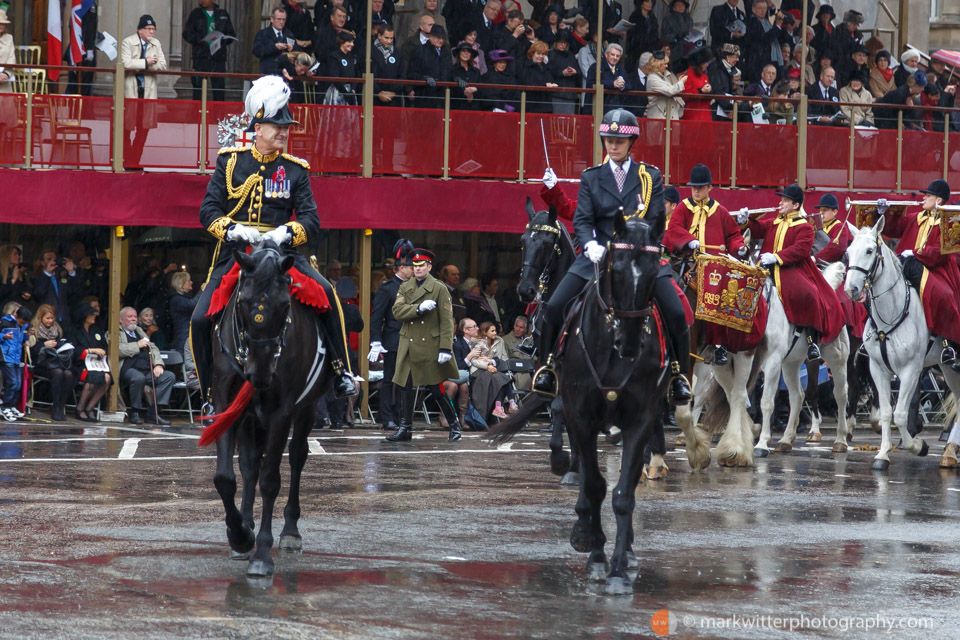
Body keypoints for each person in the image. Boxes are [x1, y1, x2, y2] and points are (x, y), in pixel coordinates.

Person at [192, 76, 357, 411]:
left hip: (281, 254)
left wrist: (285, 232)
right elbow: (208, 210)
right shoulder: (230, 162)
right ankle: (209, 393)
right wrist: (233, 229)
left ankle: (342, 371)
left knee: (328, 295)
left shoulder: (295, 170)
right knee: (198, 319)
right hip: (238, 255)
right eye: (277, 125)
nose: (284, 132)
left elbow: (311, 219)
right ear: (258, 126)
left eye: (286, 127)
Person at [533, 108, 691, 403]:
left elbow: (657, 221)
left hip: (640, 256)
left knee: (676, 312)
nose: (613, 146)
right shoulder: (591, 177)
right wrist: (590, 243)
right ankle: (548, 367)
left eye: (618, 141)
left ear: (631, 144)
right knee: (553, 307)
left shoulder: (650, 176)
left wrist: (641, 251)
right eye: (608, 140)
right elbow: (581, 219)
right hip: (598, 255)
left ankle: (679, 375)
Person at [742, 184, 844, 360]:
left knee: (808, 294)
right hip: (765, 268)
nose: (781, 203)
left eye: (785, 200)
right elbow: (757, 229)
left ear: (796, 205)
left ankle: (812, 340)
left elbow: (800, 250)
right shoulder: (775, 222)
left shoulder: (804, 226)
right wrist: (745, 221)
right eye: (781, 200)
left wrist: (776, 257)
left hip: (790, 268)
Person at [663, 164, 747, 364]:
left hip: (713, 266)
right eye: (694, 187)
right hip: (685, 261)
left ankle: (719, 344)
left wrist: (740, 247)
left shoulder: (720, 211)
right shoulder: (683, 207)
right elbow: (673, 228)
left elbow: (734, 236)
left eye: (700, 187)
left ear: (710, 187)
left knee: (719, 293)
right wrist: (687, 240)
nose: (696, 191)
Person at [879, 180, 960, 368]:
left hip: (936, 269)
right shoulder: (916, 217)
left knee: (944, 296)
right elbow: (894, 229)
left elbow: (941, 253)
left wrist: (916, 253)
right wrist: (885, 213)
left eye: (928, 196)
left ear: (939, 200)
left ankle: (949, 343)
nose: (923, 198)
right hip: (907, 265)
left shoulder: (950, 222)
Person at [385, 248, 463, 442]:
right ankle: (406, 428)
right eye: (415, 266)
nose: (418, 269)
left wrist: (446, 347)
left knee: (437, 388)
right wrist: (418, 309)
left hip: (430, 344)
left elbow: (446, 320)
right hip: (409, 342)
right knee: (405, 386)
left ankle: (454, 425)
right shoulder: (405, 286)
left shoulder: (439, 288)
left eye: (421, 266)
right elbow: (398, 311)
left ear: (429, 267)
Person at [369, 239, 414, 432]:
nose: (414, 270)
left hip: (411, 340)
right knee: (389, 381)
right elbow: (377, 317)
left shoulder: (415, 287)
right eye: (411, 266)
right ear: (402, 267)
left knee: (407, 382)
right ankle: (386, 416)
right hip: (393, 340)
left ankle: (402, 416)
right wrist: (376, 341)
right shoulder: (387, 289)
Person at [121, 15, 167, 169]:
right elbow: (125, 63)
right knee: (126, 127)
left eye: (153, 29)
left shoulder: (156, 44)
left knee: (143, 129)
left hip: (147, 93)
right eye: (149, 29)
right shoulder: (128, 42)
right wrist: (146, 62)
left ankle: (134, 161)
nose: (152, 32)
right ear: (140, 30)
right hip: (130, 93)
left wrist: (142, 66)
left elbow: (162, 65)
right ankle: (127, 160)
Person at [119, 306, 174, 425]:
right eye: (130, 317)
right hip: (127, 368)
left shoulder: (139, 331)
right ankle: (135, 412)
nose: (133, 319)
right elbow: (117, 350)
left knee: (168, 376)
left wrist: (158, 364)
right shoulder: (115, 332)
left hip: (146, 368)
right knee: (138, 378)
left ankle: (153, 413)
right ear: (120, 319)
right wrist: (137, 345)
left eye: (134, 316)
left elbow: (153, 348)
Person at [183, 0, 236, 102]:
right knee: (199, 89)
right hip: (200, 57)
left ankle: (218, 116)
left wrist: (222, 40)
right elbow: (187, 34)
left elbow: (231, 34)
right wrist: (200, 39)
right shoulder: (195, 14)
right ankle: (198, 115)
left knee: (219, 89)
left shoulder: (222, 13)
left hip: (218, 58)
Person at [28, 304, 74, 422]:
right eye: (47, 318)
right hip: (41, 363)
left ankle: (60, 405)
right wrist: (43, 345)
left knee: (68, 374)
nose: (50, 321)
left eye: (52, 318)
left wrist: (59, 345)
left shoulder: (57, 329)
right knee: (58, 373)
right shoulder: (34, 330)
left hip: (56, 360)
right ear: (41, 317)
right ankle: (55, 406)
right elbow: (30, 352)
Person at [68, 301, 111, 422]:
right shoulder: (74, 331)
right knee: (92, 377)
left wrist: (103, 351)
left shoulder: (97, 330)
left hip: (97, 364)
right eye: (91, 314)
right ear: (84, 315)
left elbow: (104, 346)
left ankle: (90, 407)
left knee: (107, 378)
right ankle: (80, 408)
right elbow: (73, 350)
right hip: (79, 366)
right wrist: (91, 350)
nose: (94, 316)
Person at [468, 321, 516, 419]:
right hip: (478, 370)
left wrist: (490, 361)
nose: (495, 333)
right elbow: (474, 361)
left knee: (503, 378)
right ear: (485, 332)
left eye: (495, 331)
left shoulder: (498, 341)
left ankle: (505, 405)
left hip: (491, 369)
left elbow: (498, 359)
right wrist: (487, 366)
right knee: (501, 378)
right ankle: (505, 405)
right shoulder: (479, 344)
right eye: (492, 331)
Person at [30, 250, 79, 329]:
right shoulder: (36, 278)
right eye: (49, 259)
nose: (53, 262)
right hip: (47, 322)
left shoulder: (60, 277)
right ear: (42, 263)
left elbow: (74, 291)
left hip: (64, 320)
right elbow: (39, 293)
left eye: (54, 259)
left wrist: (71, 272)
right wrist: (47, 273)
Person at [408, 24, 452, 108]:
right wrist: (425, 78)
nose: (441, 41)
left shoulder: (446, 53)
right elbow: (411, 73)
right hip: (425, 96)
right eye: (438, 38)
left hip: (442, 97)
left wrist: (456, 78)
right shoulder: (419, 51)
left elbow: (449, 71)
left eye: (442, 38)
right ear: (430, 37)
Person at [0, 303, 29, 421]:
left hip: (17, 357)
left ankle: (11, 405)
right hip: (6, 356)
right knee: (11, 382)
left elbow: (22, 336)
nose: (22, 324)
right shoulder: (5, 322)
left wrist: (26, 340)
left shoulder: (24, 325)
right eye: (21, 322)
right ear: (16, 315)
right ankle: (5, 406)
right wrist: (3, 336)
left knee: (18, 383)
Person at [743, 0, 783, 84]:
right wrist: (777, 26)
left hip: (767, 59)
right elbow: (764, 38)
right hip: (758, 62)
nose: (762, 10)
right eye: (760, 8)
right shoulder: (753, 22)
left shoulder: (766, 21)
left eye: (764, 8)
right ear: (753, 10)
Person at [64, 1, 98, 96]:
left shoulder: (77, 3)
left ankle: (73, 106)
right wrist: (90, 48)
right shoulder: (89, 4)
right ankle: (83, 108)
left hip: (76, 48)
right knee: (84, 84)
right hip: (84, 50)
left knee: (74, 82)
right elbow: (89, 28)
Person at [371, 24, 405, 107]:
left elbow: (402, 75)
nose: (389, 41)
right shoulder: (369, 52)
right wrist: (378, 93)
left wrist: (394, 93)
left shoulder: (398, 54)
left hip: (394, 100)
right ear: (379, 36)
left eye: (391, 38)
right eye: (386, 38)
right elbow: (365, 73)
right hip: (374, 99)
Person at [547, 31, 581, 115]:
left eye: (565, 43)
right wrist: (561, 73)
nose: (563, 45)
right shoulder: (551, 54)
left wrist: (575, 72)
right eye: (561, 42)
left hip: (570, 92)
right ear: (556, 43)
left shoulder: (571, 55)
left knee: (568, 121)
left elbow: (579, 72)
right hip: (556, 92)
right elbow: (548, 71)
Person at [255, 6, 295, 74]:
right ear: (272, 19)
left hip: (285, 73)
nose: (281, 22)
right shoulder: (262, 34)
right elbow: (257, 51)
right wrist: (274, 47)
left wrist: (291, 49)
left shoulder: (289, 34)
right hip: (268, 72)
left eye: (283, 19)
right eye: (279, 19)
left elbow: (297, 52)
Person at [646, 51, 685, 120]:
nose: (667, 66)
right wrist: (681, 82)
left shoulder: (663, 76)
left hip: (667, 118)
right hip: (659, 118)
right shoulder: (653, 78)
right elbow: (670, 91)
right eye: (665, 64)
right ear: (658, 64)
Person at [520, 41, 557, 114]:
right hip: (532, 106)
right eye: (538, 53)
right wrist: (545, 85)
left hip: (546, 105)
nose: (541, 56)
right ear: (532, 53)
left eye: (543, 54)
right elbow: (528, 83)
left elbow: (550, 80)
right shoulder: (526, 67)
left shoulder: (545, 67)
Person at [708, 43, 741, 121]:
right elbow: (717, 90)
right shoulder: (715, 68)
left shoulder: (730, 69)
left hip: (725, 109)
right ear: (727, 57)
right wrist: (728, 108)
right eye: (735, 57)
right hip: (716, 110)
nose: (737, 60)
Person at [326, 31, 360, 105]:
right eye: (349, 42)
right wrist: (345, 92)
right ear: (342, 42)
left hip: (351, 91)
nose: (352, 44)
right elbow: (334, 76)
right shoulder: (334, 56)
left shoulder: (352, 57)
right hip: (338, 90)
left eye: (353, 42)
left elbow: (356, 74)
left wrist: (353, 89)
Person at [682, 47, 714, 121]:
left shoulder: (704, 75)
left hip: (706, 116)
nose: (707, 65)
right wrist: (701, 91)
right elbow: (685, 96)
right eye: (705, 62)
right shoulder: (687, 75)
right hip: (693, 116)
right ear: (699, 63)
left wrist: (710, 92)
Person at [451, 41, 483, 110]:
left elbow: (482, 89)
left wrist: (474, 89)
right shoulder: (452, 69)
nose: (466, 53)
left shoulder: (476, 71)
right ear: (459, 53)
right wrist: (465, 92)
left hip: (473, 107)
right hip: (457, 107)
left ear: (471, 55)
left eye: (468, 52)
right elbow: (450, 88)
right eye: (463, 51)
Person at [0, 10, 16, 96]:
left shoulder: (9, 38)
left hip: (5, 82)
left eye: (3, 24)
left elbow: (11, 58)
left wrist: (6, 74)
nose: (1, 26)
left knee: (6, 108)